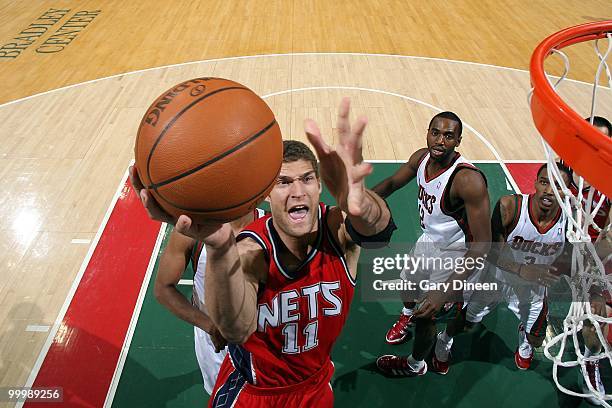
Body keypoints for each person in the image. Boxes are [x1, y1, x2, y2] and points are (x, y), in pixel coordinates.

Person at [131, 98, 396, 407]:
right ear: (265, 192)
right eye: (284, 182)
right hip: (253, 393)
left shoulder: (336, 231)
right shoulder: (249, 248)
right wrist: (219, 249)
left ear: (320, 185)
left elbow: (379, 232)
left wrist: (363, 204)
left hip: (315, 386)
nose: (298, 191)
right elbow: (235, 328)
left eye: (307, 179)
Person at [374, 111, 491, 376]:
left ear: (458, 141)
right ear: (427, 132)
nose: (440, 140)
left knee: (429, 314)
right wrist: (360, 201)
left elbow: (483, 245)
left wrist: (443, 291)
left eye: (448, 136)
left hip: (457, 251)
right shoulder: (421, 158)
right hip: (431, 239)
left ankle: (415, 365)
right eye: (435, 133)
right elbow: (392, 183)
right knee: (407, 284)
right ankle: (407, 314)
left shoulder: (467, 181)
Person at [458, 163, 571, 372]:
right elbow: (490, 252)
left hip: (533, 287)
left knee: (536, 340)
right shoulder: (510, 207)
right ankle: (444, 340)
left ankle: (525, 334)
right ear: (536, 183)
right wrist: (520, 269)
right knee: (465, 325)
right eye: (544, 182)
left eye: (557, 186)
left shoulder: (570, 222)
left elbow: (571, 257)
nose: (548, 190)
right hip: (496, 279)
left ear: (566, 192)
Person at [153, 209, 264, 394]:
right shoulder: (191, 233)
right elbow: (163, 289)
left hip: (265, 343)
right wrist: (210, 326)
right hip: (216, 346)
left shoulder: (272, 225)